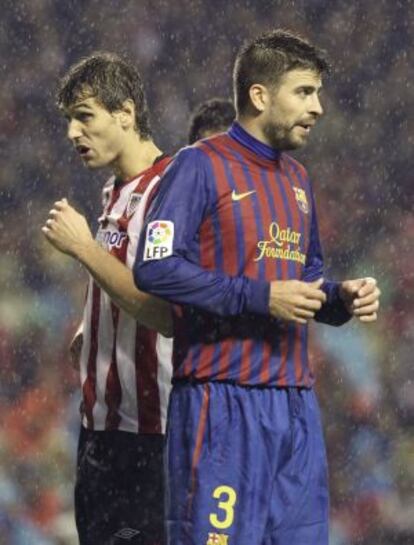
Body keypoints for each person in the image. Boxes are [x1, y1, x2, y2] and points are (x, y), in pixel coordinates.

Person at [133, 29, 381, 545]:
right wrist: (259, 297)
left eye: (318, 93)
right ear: (260, 95)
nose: (318, 107)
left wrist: (340, 297)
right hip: (221, 403)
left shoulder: (298, 180)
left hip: (295, 409)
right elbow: (154, 267)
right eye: (304, 92)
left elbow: (306, 284)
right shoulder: (199, 165)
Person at [42, 52, 173, 545]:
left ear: (126, 113)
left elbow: (164, 312)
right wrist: (90, 325)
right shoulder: (111, 192)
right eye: (69, 120)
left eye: (84, 116)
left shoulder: (171, 190)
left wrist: (82, 247)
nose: (73, 132)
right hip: (99, 429)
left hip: (148, 437)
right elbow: (121, 272)